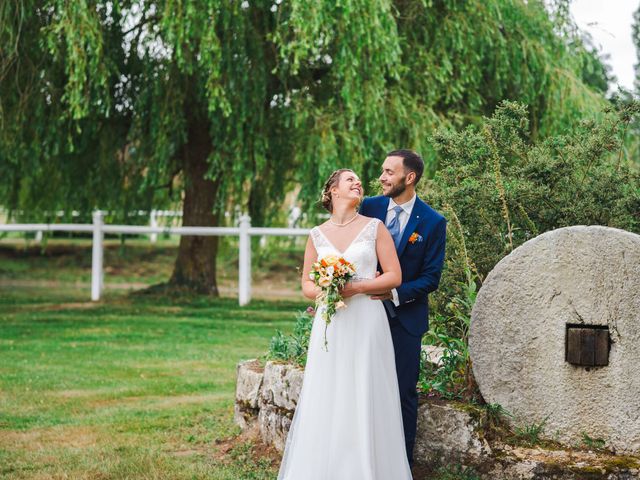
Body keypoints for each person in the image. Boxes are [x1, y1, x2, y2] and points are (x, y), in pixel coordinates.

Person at [278, 169, 413, 480]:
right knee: (329, 390)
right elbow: (307, 286)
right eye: (349, 179)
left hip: (366, 318)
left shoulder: (374, 227)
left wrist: (357, 287)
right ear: (333, 191)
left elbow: (394, 275)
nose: (357, 183)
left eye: (358, 181)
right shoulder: (316, 235)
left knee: (365, 388)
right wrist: (328, 289)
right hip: (332, 322)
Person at [360, 149, 447, 467]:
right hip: (363, 315)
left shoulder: (434, 223)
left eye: (388, 172)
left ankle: (400, 467)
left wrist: (392, 293)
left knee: (402, 395)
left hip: (405, 321)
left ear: (409, 178)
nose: (382, 177)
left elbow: (430, 278)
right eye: (382, 171)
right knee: (363, 389)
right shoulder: (368, 208)